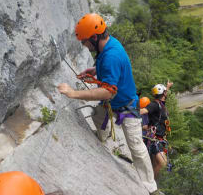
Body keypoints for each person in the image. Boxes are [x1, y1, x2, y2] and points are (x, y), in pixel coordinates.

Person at [57, 13, 163, 195]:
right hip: (113, 104)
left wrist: (73, 93)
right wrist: (96, 70)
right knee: (97, 117)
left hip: (127, 106)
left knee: (137, 148)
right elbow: (110, 68)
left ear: (94, 37)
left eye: (84, 41)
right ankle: (103, 138)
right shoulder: (109, 45)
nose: (83, 45)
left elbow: (108, 91)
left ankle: (151, 189)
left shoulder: (110, 56)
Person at [140, 81, 173, 179]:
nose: (166, 94)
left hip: (160, 138)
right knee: (163, 163)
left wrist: (167, 87)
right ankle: (151, 182)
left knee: (155, 163)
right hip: (155, 139)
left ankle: (151, 182)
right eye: (165, 92)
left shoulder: (161, 103)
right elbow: (143, 111)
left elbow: (164, 94)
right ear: (163, 94)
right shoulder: (155, 105)